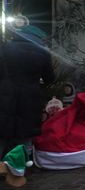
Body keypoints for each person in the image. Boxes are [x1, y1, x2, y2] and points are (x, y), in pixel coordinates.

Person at [0, 24, 55, 159]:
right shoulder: (43, 52)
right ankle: (19, 169)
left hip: (5, 95)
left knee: (2, 132)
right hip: (30, 98)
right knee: (25, 135)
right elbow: (50, 79)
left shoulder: (4, 49)